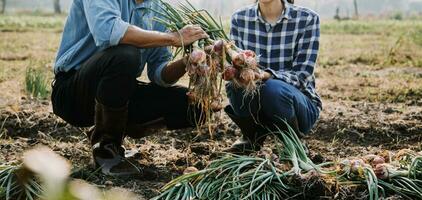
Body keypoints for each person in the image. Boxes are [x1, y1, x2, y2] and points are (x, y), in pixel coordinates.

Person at [51, 0, 210, 176]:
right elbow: (108, 31)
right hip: (73, 93)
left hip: (116, 93)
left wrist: (185, 63)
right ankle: (107, 152)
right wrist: (174, 38)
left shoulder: (157, 7)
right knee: (126, 54)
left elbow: (159, 72)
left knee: (193, 105)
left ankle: (110, 128)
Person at [225, 0, 321, 153]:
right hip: (257, 104)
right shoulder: (239, 18)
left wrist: (265, 75)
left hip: (299, 107)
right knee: (235, 85)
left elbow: (302, 75)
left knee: (272, 88)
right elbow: (236, 62)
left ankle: (294, 142)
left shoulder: (307, 19)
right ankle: (251, 137)